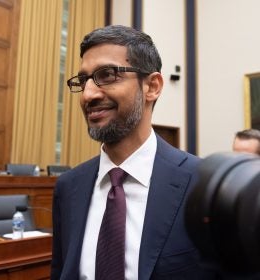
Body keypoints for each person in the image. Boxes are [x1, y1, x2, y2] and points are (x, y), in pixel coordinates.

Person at [51, 25, 217, 279]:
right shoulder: (68, 187)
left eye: (107, 75)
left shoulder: (204, 185)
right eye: (83, 81)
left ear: (152, 86)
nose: (88, 94)